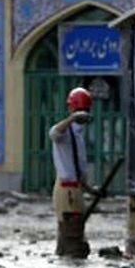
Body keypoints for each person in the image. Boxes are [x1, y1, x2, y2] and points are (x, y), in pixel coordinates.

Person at [49, 87, 98, 258]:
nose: (82, 115)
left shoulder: (79, 135)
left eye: (84, 111)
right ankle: (69, 262)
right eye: (78, 111)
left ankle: (64, 257)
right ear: (70, 109)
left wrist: (90, 189)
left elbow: (78, 168)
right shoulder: (64, 132)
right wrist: (71, 119)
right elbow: (53, 133)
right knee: (71, 230)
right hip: (65, 188)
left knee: (74, 230)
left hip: (76, 188)